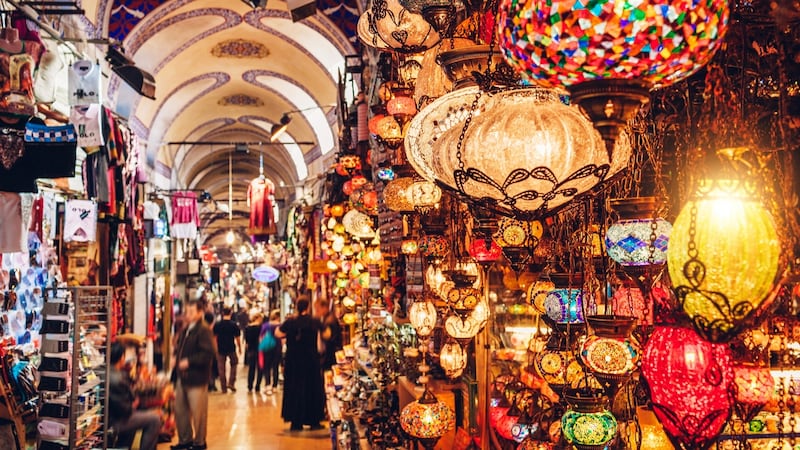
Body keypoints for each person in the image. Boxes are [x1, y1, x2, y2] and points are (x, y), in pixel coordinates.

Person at [274, 297, 327, 431]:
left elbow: (278, 333)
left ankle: (295, 422)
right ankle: (313, 421)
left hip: (293, 361)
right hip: (310, 361)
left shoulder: (291, 321)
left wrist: (289, 335)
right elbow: (327, 334)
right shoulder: (313, 321)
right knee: (311, 389)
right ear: (308, 307)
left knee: (294, 389)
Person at [171, 299, 215, 450]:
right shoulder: (186, 329)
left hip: (197, 378)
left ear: (200, 313)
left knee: (198, 414)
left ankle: (199, 442)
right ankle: (185, 439)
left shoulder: (203, 330)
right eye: (187, 311)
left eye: (191, 312)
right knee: (180, 410)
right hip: (182, 377)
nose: (188, 315)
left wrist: (189, 362)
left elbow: (208, 353)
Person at [108, 342, 161, 450]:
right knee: (155, 419)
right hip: (114, 421)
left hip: (108, 419)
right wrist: (134, 404)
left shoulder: (107, 371)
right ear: (122, 357)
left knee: (137, 419)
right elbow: (125, 410)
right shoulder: (118, 378)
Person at [212, 307, 241, 393]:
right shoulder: (234, 325)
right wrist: (239, 348)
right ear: (231, 313)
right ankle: (231, 382)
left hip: (220, 348)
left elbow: (214, 337)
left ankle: (223, 387)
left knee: (221, 368)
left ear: (222, 313)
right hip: (231, 347)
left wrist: (215, 347)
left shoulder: (217, 324)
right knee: (234, 363)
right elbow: (237, 338)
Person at [316, 299, 342, 371]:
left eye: (318, 309)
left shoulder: (329, 321)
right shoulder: (327, 318)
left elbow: (329, 339)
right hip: (330, 354)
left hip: (330, 355)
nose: (317, 312)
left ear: (324, 307)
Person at [260, 309, 282, 395]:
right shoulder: (280, 325)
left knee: (267, 367)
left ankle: (268, 385)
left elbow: (261, 337)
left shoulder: (265, 325)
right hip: (277, 347)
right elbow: (283, 338)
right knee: (275, 367)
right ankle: (275, 386)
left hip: (268, 348)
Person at [243, 311, 264, 393]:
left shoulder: (247, 328)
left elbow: (247, 342)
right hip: (260, 350)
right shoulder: (261, 328)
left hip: (251, 350)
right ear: (259, 318)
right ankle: (257, 386)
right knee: (260, 368)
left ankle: (250, 385)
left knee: (251, 368)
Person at [203, 311, 218, 392]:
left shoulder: (202, 329)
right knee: (212, 368)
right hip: (211, 352)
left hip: (205, 353)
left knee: (208, 368)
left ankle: (209, 384)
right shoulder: (211, 330)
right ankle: (211, 384)